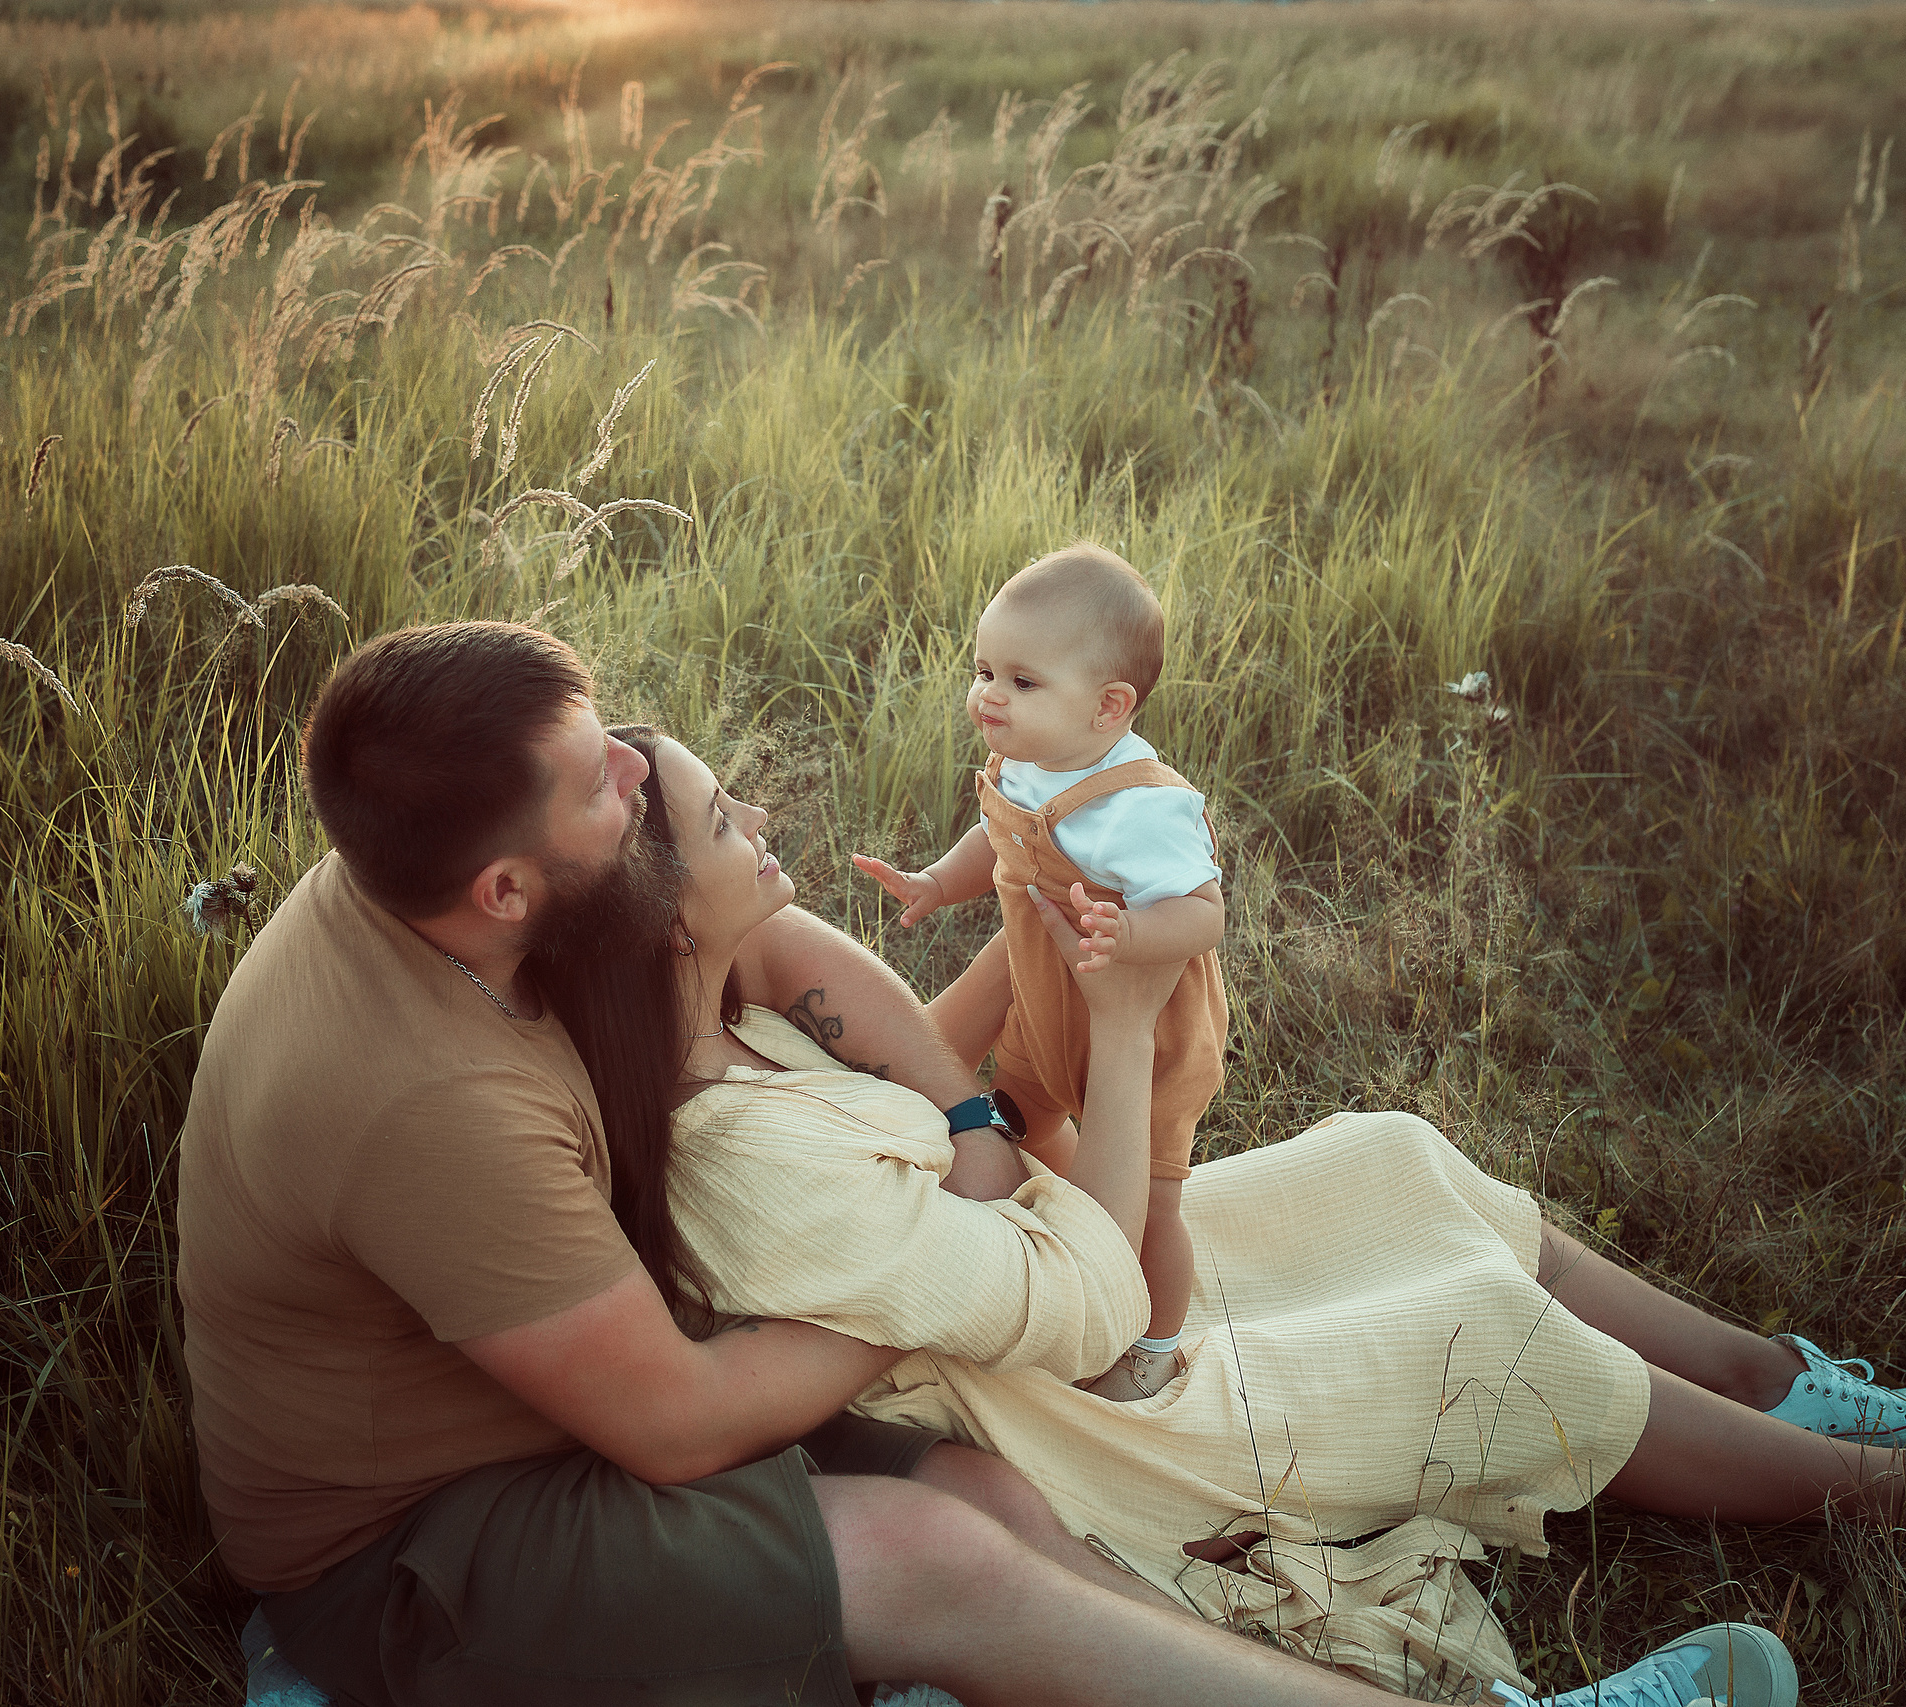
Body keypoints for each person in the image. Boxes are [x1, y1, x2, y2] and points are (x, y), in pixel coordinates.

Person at [174, 620, 1808, 1707]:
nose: (638, 771)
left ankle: (1778, 1401)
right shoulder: (425, 1097)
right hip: (418, 1535)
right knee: (935, 1550)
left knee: (990, 1489)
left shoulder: (479, 863)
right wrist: (926, 1284)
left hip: (607, 1375)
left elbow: (773, 938)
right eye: (603, 784)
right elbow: (672, 1422)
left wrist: (960, 1117)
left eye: (613, 740)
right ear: (508, 890)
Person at [536, 724, 1906, 1704]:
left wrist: (1027, 952)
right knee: (1470, 1328)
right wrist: (1119, 1032)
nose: (759, 824)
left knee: (1389, 1158)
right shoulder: (737, 1164)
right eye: (729, 824)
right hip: (1068, 1398)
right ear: (663, 924)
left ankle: (1783, 1384)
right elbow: (1098, 1308)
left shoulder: (734, 1013)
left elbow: (944, 1108)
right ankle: (1865, 1490)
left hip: (1028, 1265)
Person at [854, 544, 1226, 1402]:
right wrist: (938, 884)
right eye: (985, 669)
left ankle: (1155, 1347)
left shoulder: (1141, 807)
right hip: (1047, 1000)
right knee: (1021, 1116)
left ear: (1108, 707)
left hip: (1145, 1024)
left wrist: (1131, 932)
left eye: (1022, 681)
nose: (989, 694)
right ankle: (1066, 1213)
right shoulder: (1033, 759)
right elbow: (1000, 831)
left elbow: (1206, 912)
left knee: (1160, 1202)